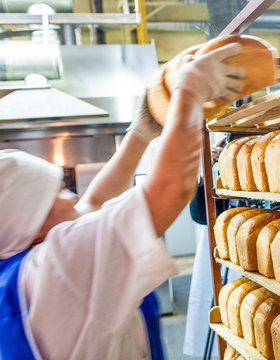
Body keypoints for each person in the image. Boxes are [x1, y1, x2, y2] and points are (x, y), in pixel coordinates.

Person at [0, 42, 246, 360]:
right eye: (57, 193)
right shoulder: (57, 268)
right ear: (31, 225)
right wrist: (191, 92)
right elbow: (170, 189)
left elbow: (94, 202)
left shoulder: (19, 269)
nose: (72, 195)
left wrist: (141, 132)